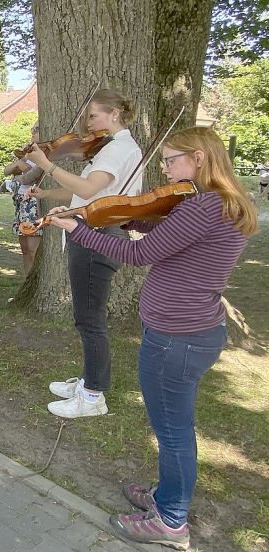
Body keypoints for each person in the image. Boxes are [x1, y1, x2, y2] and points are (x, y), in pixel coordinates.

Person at [45, 126, 256, 550]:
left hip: (177, 337)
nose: (166, 167)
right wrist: (127, 213)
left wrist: (78, 229)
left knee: (174, 430)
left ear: (199, 158)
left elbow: (139, 254)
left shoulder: (204, 207)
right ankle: (166, 497)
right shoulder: (218, 204)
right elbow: (163, 226)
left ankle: (171, 520)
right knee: (172, 426)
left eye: (172, 158)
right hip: (191, 330)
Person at [25, 89, 144, 418]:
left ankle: (93, 396)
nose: (88, 125)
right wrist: (49, 191)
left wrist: (47, 164)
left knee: (90, 319)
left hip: (97, 236)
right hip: (92, 230)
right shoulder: (112, 149)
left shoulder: (118, 149)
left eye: (93, 116)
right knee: (88, 317)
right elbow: (86, 189)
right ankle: (90, 381)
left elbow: (90, 189)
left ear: (116, 113)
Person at [5, 123, 44, 275]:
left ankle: (35, 281)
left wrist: (19, 169)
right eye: (32, 130)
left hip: (32, 203)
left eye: (36, 129)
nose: (33, 133)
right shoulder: (29, 153)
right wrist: (23, 158)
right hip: (20, 201)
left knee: (33, 248)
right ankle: (27, 283)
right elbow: (6, 170)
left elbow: (28, 175)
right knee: (25, 249)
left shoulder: (42, 153)